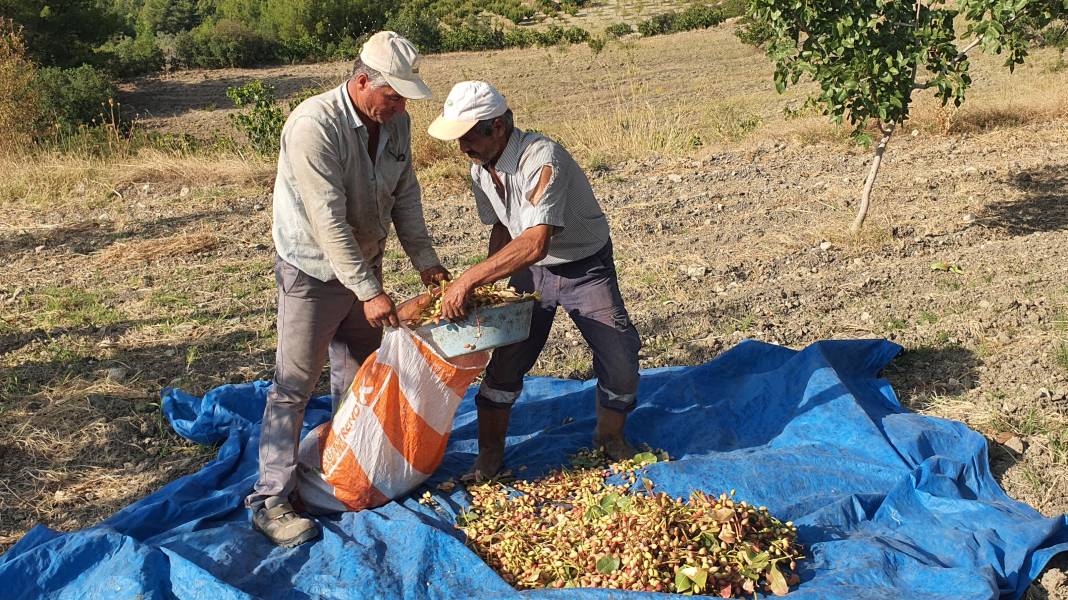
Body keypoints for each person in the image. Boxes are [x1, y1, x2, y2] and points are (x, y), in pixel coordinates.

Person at [247, 31, 449, 547]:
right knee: (294, 385)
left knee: (361, 368)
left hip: (365, 263)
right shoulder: (314, 125)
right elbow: (327, 221)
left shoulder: (395, 122)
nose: (402, 105)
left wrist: (426, 261)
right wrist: (368, 289)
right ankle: (269, 498)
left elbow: (406, 195)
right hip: (313, 273)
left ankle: (347, 467)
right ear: (362, 82)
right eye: (394, 95)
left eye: (405, 96)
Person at [426, 81, 642, 481]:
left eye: (469, 136)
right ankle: (489, 458)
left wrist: (470, 279)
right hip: (528, 271)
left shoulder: (543, 158)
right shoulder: (480, 169)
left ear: (496, 126)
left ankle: (609, 440)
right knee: (506, 361)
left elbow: (536, 241)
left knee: (620, 359)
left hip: (583, 267)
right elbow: (502, 230)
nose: (462, 149)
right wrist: (492, 288)